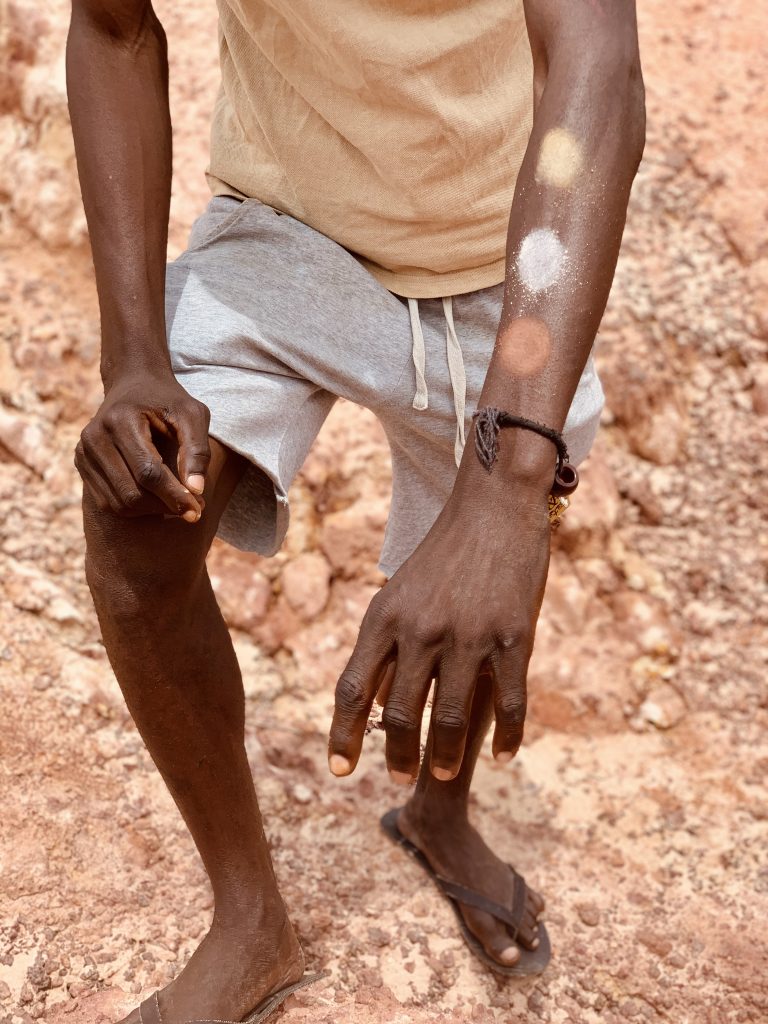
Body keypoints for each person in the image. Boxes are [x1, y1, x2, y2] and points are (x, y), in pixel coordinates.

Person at [66, 0, 644, 1020]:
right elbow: (113, 29)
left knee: (489, 569)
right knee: (135, 518)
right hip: (287, 227)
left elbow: (595, 58)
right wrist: (136, 360)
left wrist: (510, 484)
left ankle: (438, 810)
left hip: (506, 258)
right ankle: (250, 916)